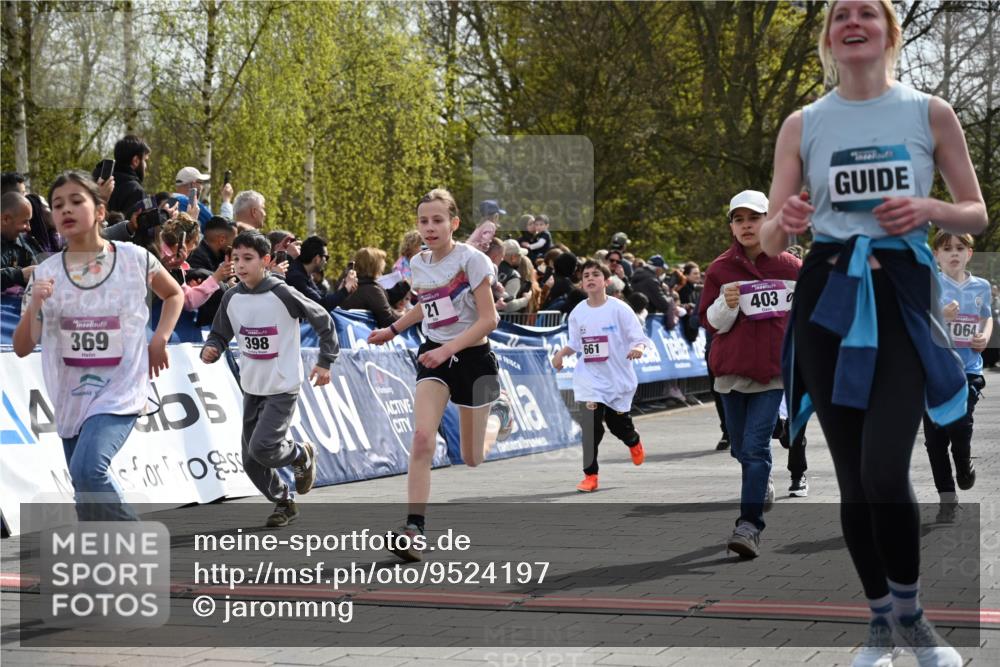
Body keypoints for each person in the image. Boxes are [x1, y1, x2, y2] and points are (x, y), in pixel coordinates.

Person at [760, 2, 986, 664]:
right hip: (828, 293)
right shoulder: (804, 123)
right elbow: (771, 232)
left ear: (891, 30)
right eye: (839, 16)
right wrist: (789, 219)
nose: (852, 22)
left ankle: (915, 619)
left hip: (901, 292)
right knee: (856, 476)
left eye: (867, 13)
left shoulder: (929, 112)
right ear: (830, 38)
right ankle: (881, 621)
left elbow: (974, 213)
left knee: (888, 466)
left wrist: (929, 206)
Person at [11, 171, 183, 521]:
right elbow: (22, 347)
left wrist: (159, 338)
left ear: (101, 211)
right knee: (85, 492)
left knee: (90, 470)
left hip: (121, 388)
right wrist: (35, 307)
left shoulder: (134, 258)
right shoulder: (46, 272)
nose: (66, 210)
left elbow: (174, 294)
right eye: (58, 205)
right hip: (70, 393)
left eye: (76, 201)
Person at [367, 188, 513, 562]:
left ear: (454, 223)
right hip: (432, 356)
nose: (429, 228)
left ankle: (499, 416)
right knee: (421, 439)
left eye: (437, 220)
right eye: (423, 221)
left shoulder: (473, 261)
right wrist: (394, 329)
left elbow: (489, 319)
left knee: (472, 457)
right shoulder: (419, 263)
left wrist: (449, 349)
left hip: (472, 358)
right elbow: (424, 305)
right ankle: (414, 528)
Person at [200, 231, 337, 527]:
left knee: (262, 447)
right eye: (235, 259)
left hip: (282, 384)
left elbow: (323, 320)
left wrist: (326, 361)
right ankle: (284, 501)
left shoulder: (282, 293)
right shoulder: (231, 297)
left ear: (266, 261)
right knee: (250, 460)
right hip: (252, 386)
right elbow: (219, 332)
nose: (240, 265)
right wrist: (213, 346)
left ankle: (300, 453)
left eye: (248, 259)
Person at [699, 189, 800, 559]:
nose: (746, 226)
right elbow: (709, 324)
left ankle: (749, 526)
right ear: (731, 226)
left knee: (756, 449)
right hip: (730, 373)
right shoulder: (720, 269)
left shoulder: (791, 268)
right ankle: (761, 483)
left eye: (753, 218)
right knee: (742, 450)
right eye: (738, 219)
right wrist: (724, 308)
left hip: (772, 375)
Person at [552, 260, 648, 492]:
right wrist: (561, 354)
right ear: (582, 282)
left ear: (606, 281)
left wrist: (639, 349)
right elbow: (576, 343)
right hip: (589, 379)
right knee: (591, 427)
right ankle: (590, 475)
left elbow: (640, 338)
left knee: (618, 425)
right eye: (586, 276)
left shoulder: (620, 309)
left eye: (596, 274)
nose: (590, 278)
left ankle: (632, 440)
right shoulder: (578, 312)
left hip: (617, 378)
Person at [924, 231, 991, 521]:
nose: (954, 253)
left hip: (968, 371)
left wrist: (985, 337)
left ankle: (963, 463)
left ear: (969, 254)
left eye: (960, 248)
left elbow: (986, 316)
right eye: (946, 248)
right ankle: (947, 500)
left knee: (960, 428)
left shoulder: (982, 286)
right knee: (935, 441)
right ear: (936, 255)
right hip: (932, 373)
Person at [285, 236, 358, 310]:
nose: (326, 262)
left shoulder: (303, 272)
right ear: (317, 258)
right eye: (326, 257)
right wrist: (346, 289)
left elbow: (321, 297)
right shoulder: (296, 276)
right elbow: (320, 305)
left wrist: (341, 291)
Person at [339, 247, 404, 328]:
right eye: (382, 262)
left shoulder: (348, 284)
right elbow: (388, 321)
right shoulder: (372, 290)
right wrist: (404, 315)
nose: (384, 265)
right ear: (374, 265)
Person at [1, 191, 39, 291]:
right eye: (25, 222)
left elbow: (36, 263)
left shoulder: (21, 242)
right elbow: (21, 274)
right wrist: (18, 275)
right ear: (6, 219)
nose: (28, 228)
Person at [106, 135, 150, 216]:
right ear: (136, 161)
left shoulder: (101, 184)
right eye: (145, 160)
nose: (146, 166)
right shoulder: (137, 191)